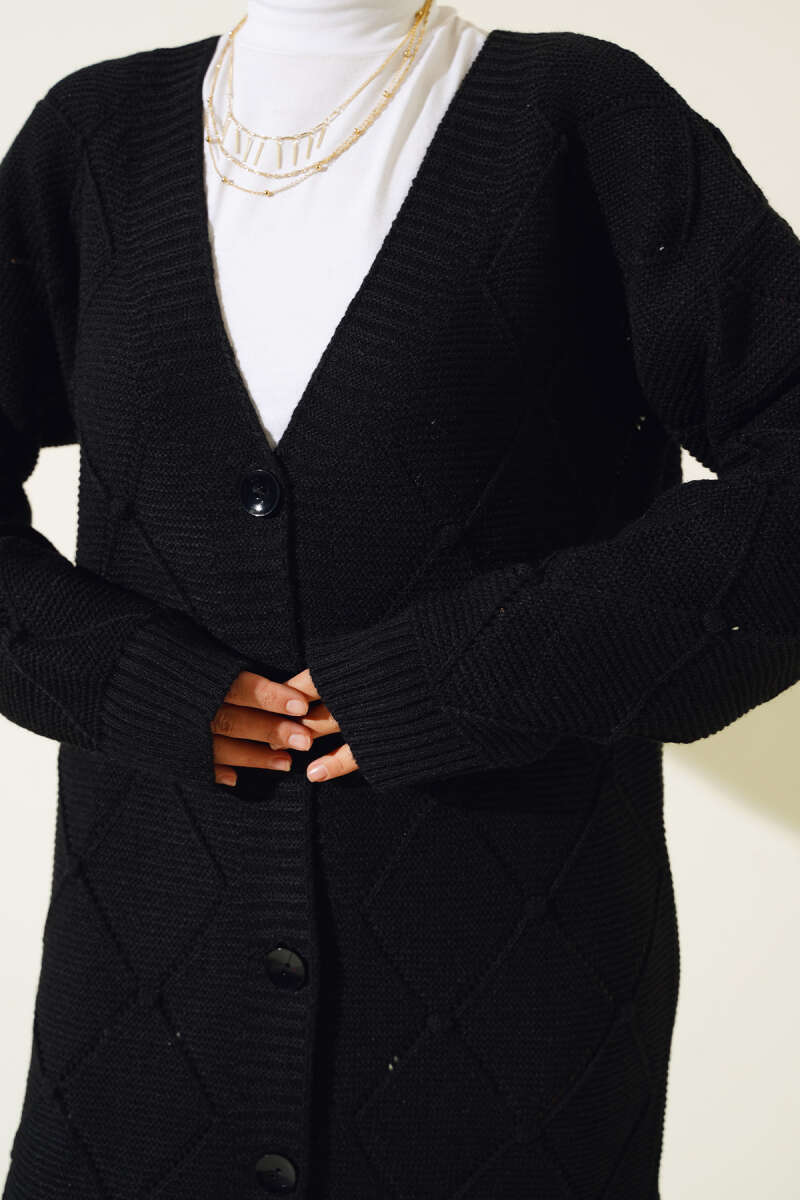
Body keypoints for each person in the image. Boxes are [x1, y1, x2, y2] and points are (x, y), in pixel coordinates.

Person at [2, 2, 798, 1197]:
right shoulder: (91, 143)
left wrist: (465, 675)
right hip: (145, 1003)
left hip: (506, 999)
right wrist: (119, 677)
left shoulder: (580, 120)